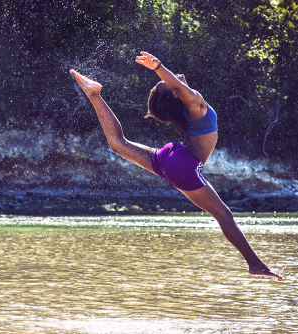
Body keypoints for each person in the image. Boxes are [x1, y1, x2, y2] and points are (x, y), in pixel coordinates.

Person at [70, 51, 283, 281]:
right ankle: (255, 264)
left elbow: (172, 91)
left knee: (118, 144)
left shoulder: (189, 111)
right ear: (174, 93)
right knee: (224, 215)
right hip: (182, 164)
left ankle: (94, 95)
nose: (171, 78)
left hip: (171, 156)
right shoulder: (195, 104)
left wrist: (160, 79)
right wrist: (157, 67)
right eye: (166, 83)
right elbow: (177, 86)